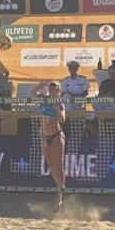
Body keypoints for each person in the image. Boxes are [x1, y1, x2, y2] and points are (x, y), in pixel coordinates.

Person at [40, 82, 66, 213]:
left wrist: (56, 108)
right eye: (50, 88)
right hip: (44, 136)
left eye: (54, 89)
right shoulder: (43, 99)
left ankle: (59, 194)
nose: (51, 90)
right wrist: (41, 83)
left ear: (59, 91)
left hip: (56, 135)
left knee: (58, 165)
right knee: (50, 165)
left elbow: (62, 120)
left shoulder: (60, 103)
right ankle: (59, 188)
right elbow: (33, 93)